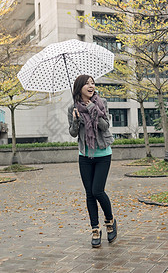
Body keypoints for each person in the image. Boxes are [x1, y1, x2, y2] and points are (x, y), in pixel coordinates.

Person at [68, 74, 117, 248]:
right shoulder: (73, 108)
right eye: (87, 83)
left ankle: (110, 220)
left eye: (92, 83)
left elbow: (105, 126)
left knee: (97, 191)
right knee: (89, 193)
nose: (91, 86)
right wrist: (75, 120)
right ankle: (95, 228)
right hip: (85, 156)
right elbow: (73, 133)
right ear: (79, 87)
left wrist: (92, 109)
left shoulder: (101, 103)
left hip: (103, 154)